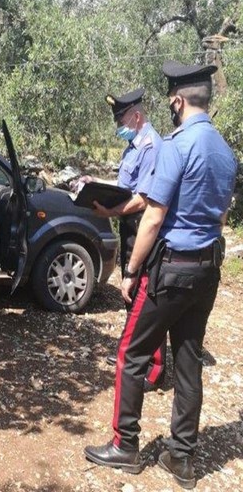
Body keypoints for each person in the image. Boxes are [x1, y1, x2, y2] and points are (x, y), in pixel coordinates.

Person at [84, 61, 237, 490]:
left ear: (177, 100)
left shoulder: (176, 145)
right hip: (207, 271)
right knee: (188, 363)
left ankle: (125, 446)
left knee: (131, 354)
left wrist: (131, 271)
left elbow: (153, 217)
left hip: (170, 270)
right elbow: (220, 216)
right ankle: (182, 457)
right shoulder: (226, 153)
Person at [90, 88, 167, 391]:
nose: (117, 126)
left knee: (146, 298)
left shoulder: (150, 145)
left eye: (120, 119)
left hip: (143, 228)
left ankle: (154, 369)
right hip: (130, 228)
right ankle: (134, 355)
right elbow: (126, 188)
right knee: (131, 296)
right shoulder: (133, 146)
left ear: (136, 116)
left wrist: (109, 209)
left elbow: (143, 199)